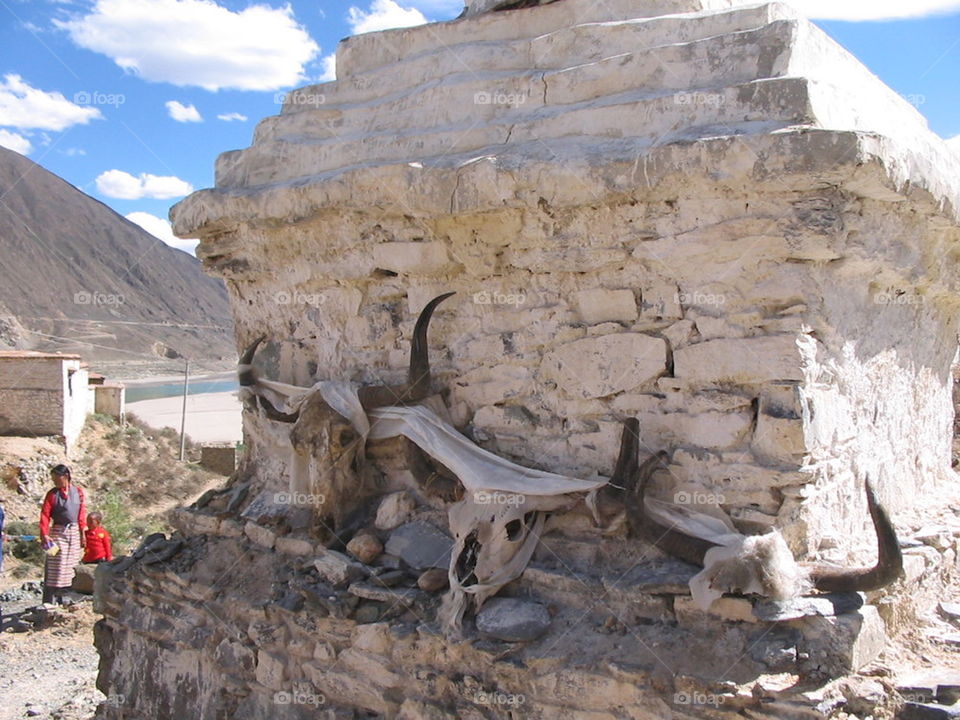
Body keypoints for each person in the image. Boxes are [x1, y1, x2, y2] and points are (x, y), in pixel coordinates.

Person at [39, 464, 86, 605]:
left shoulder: (77, 492)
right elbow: (45, 515)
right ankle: (49, 600)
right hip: (58, 532)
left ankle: (66, 598)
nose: (54, 482)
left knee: (70, 566)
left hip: (73, 532)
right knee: (56, 566)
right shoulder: (52, 494)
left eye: (56, 478)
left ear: (65, 477)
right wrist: (44, 534)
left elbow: (81, 513)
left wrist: (82, 532)